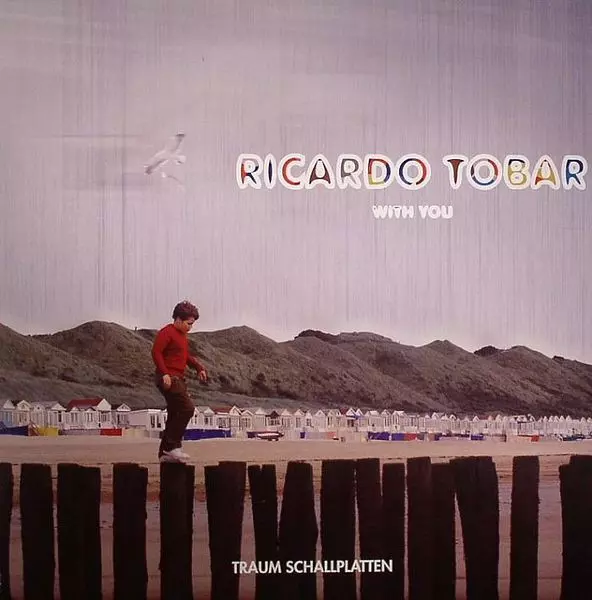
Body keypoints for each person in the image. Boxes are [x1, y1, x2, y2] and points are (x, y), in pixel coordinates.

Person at [151, 300, 208, 463]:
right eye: (188, 323)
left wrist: (198, 367)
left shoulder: (182, 336)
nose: (190, 327)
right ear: (177, 319)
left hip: (178, 378)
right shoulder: (167, 332)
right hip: (170, 377)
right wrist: (164, 373)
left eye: (192, 324)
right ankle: (172, 447)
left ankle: (165, 453)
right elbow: (156, 352)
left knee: (175, 412)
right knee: (186, 409)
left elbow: (185, 356)